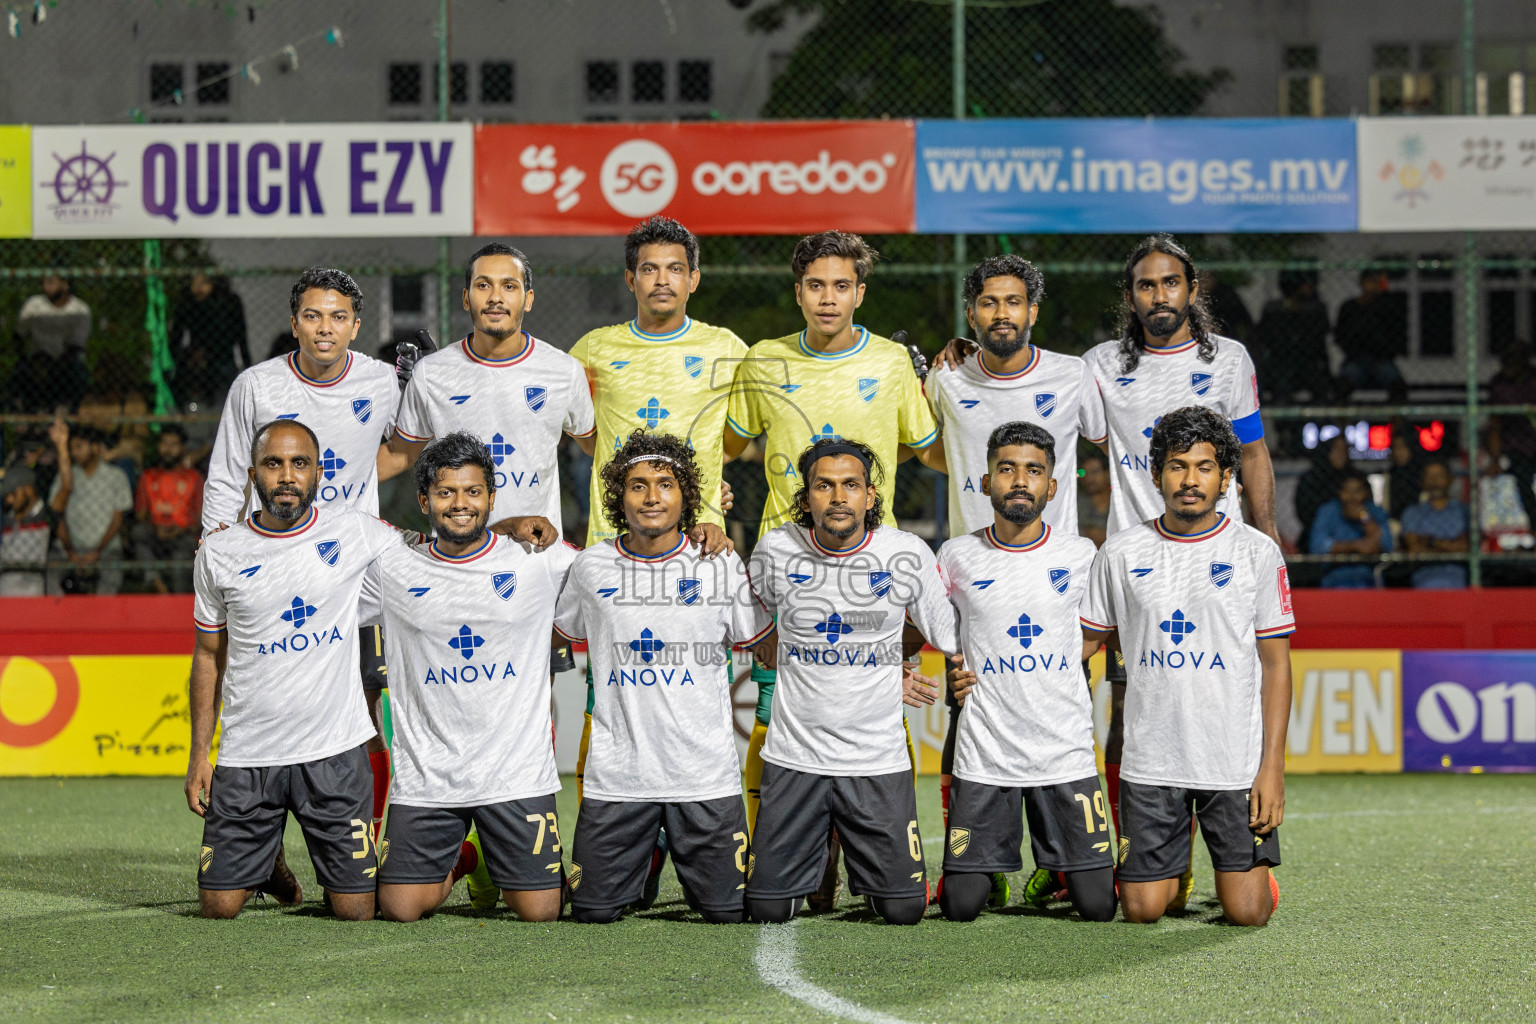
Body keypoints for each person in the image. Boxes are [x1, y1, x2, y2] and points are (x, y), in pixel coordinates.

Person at [725, 231, 944, 909]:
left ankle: (879, 860)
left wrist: (942, 380)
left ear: (860, 293)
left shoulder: (888, 362)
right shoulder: (763, 361)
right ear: (799, 293)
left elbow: (933, 453)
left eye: (841, 285)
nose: (828, 297)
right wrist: (718, 497)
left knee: (869, 724)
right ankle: (804, 869)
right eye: (815, 285)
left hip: (869, 571)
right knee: (779, 717)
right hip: (787, 567)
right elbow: (729, 444)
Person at [924, 252, 1105, 907]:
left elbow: (1113, 445)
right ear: (971, 313)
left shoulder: (1072, 374)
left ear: (1033, 311)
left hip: (1054, 590)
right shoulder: (945, 381)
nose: (1002, 314)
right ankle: (975, 862)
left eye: (1014, 303)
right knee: (963, 722)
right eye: (989, 303)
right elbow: (925, 449)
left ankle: (1066, 861)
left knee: (1062, 725)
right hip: (974, 585)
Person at [203, 267, 404, 843]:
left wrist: (429, 382)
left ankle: (366, 842)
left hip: (352, 577)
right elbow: (225, 479)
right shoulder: (257, 386)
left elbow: (412, 447)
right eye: (312, 316)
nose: (324, 329)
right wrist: (221, 546)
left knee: (364, 720)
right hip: (273, 571)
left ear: (356, 326)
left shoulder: (383, 381)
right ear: (294, 324)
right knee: (263, 709)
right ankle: (262, 847)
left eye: (338, 317)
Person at [185, 419, 407, 920]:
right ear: (252, 475)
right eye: (274, 463)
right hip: (248, 754)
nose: (287, 475)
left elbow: (435, 551)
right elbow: (206, 654)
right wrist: (202, 752)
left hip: (333, 751)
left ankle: (313, 868)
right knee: (218, 907)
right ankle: (267, 864)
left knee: (356, 911)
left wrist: (503, 530)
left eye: (299, 463)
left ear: (319, 472)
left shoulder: (354, 532)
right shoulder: (219, 552)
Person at [1081, 406, 1292, 927]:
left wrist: (1272, 767)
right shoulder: (1121, 552)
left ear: (1226, 478)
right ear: (1156, 475)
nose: (1189, 480)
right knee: (1142, 910)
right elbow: (1081, 643)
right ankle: (1172, 871)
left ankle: (1255, 879)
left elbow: (1277, 666)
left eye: (1203, 467)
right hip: (1152, 761)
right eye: (1177, 466)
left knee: (1248, 914)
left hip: (1233, 763)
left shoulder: (1257, 553)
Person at [554, 431, 774, 924]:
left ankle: (662, 846)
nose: (652, 497)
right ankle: (648, 851)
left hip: (703, 778)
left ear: (687, 496)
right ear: (618, 496)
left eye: (665, 484)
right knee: (591, 911)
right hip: (618, 779)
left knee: (728, 913)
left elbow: (762, 642)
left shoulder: (717, 563)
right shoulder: (591, 566)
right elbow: (556, 633)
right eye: (637, 485)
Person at [743, 437, 958, 926]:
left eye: (850, 485)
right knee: (766, 910)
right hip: (795, 758)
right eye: (824, 485)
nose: (838, 497)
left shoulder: (904, 552)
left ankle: (854, 861)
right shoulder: (776, 549)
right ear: (807, 495)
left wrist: (886, 664)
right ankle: (819, 862)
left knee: (904, 911)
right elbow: (747, 629)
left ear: (870, 495)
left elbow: (945, 631)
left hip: (875, 760)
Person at [365, 432, 575, 923]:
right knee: (399, 909)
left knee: (541, 913)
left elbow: (618, 570)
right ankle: (470, 857)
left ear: (491, 498)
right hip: (428, 777)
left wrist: (700, 534)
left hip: (514, 772)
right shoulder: (392, 567)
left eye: (473, 492)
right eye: (445, 493)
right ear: (424, 501)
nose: (460, 504)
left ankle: (499, 859)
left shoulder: (537, 559)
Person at [937, 422, 1115, 923]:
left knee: (1099, 907)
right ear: (987, 480)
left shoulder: (1080, 555)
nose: (1020, 480)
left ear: (1051, 486)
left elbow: (1097, 633)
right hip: (986, 752)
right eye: (1007, 469)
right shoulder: (956, 556)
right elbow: (935, 628)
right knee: (960, 907)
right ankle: (989, 871)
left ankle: (1055, 868)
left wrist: (1053, 672)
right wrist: (950, 666)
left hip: (1063, 749)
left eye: (1034, 471)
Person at [383, 242, 595, 538]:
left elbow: (596, 448)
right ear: (466, 298)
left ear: (528, 298)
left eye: (509, 286)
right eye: (483, 285)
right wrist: (323, 481)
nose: (496, 297)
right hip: (456, 553)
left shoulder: (564, 370)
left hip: (536, 554)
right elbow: (400, 456)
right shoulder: (431, 372)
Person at [570, 217, 748, 548]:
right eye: (649, 269)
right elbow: (586, 435)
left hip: (698, 535)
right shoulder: (593, 348)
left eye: (675, 269)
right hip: (614, 534)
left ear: (693, 279)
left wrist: (708, 475)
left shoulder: (728, 349)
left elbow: (739, 433)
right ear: (630, 279)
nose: (662, 280)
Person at [46, 420, 132, 596]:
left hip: (106, 549)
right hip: (69, 548)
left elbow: (118, 520)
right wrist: (70, 552)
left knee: (111, 578)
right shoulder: (66, 476)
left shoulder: (116, 476)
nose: (74, 453)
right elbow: (57, 517)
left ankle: (104, 622)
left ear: (95, 447)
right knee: (51, 576)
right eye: (72, 448)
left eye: (79, 447)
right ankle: (57, 622)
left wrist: (96, 552)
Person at [132, 426, 203, 594]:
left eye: (173, 445)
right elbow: (140, 515)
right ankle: (157, 584)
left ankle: (179, 602)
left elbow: (200, 519)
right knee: (138, 533)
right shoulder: (148, 477)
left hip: (183, 535)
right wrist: (156, 527)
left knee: (183, 551)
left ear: (183, 449)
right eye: (164, 443)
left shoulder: (194, 478)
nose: (168, 449)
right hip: (156, 533)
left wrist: (177, 530)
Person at [170, 272, 252, 404]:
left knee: (224, 403)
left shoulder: (228, 302)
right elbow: (176, 336)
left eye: (203, 283)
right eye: (194, 284)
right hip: (200, 364)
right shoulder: (188, 304)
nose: (197, 289)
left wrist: (247, 366)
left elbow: (240, 336)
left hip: (222, 362)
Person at [1251, 269, 1331, 404]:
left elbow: (1319, 342)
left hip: (1308, 363)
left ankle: (1318, 422)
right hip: (1280, 364)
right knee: (1281, 387)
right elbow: (1265, 339)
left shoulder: (1316, 309)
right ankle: (1284, 422)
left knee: (1321, 388)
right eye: (1306, 284)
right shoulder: (1274, 309)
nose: (1310, 288)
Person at [1333, 270, 1407, 402]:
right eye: (1371, 281)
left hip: (1381, 360)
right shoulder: (1349, 307)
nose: (1374, 285)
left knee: (1398, 387)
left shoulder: (1386, 307)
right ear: (1362, 283)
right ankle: (1339, 422)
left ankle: (1397, 422)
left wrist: (1384, 349)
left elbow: (1396, 335)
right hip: (1356, 360)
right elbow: (1340, 335)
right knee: (1341, 387)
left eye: (1377, 282)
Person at [1309, 472, 1391, 589]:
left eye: (1357, 491)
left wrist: (1365, 518)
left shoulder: (1375, 511)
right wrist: (1355, 546)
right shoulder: (1328, 511)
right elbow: (1318, 546)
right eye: (1347, 491)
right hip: (1335, 579)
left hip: (1368, 579)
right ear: (1340, 493)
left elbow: (1386, 544)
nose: (1352, 497)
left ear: (1365, 493)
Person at [1399, 459, 1469, 589]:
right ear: (1422, 482)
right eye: (1429, 476)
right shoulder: (1412, 512)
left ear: (1450, 479)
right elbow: (1415, 550)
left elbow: (1466, 547)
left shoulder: (1464, 511)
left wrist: (1430, 541)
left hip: (1458, 584)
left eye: (1439, 476)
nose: (1435, 481)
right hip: (1423, 584)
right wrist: (1450, 545)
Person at [1488, 341, 1536, 529]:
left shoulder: (1533, 380)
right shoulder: (1499, 384)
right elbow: (1495, 425)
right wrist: (1495, 459)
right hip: (1517, 445)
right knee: (1522, 480)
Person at [1295, 433, 1353, 552]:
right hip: (1317, 534)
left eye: (1344, 450)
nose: (1340, 454)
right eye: (1336, 449)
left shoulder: (1355, 477)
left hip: (1353, 532)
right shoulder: (1311, 479)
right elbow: (1304, 512)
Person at [0, 466, 49, 596]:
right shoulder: (7, 517)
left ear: (28, 489)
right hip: (4, 592)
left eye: (13, 494)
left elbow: (65, 490)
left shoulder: (45, 515)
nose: (9, 500)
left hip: (31, 593)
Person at [1078, 451, 1111, 548]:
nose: (1089, 478)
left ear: (1107, 473)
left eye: (1094, 472)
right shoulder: (1077, 504)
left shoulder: (1119, 502)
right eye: (1085, 474)